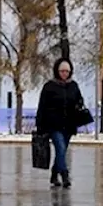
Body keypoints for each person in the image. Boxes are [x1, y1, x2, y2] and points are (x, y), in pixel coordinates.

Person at [35, 58, 86, 188]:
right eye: (62, 71)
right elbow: (42, 106)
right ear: (57, 71)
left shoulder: (73, 86)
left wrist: (79, 104)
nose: (65, 74)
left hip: (68, 124)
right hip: (54, 124)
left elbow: (79, 100)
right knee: (61, 148)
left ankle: (54, 173)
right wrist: (40, 125)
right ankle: (64, 174)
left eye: (67, 71)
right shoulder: (49, 86)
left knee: (61, 152)